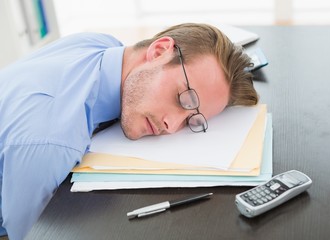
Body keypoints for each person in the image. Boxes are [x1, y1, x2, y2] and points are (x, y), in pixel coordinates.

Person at [0, 23, 258, 239]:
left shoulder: (100, 44)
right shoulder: (49, 144)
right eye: (184, 99)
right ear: (159, 51)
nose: (171, 127)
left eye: (191, 118)